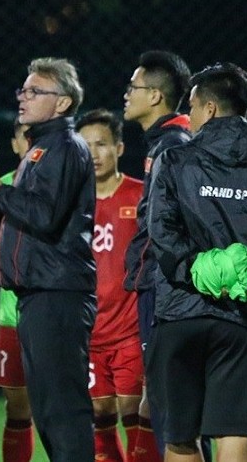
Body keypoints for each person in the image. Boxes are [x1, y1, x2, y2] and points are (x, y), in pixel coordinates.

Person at [0, 57, 96, 462]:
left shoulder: (64, 146)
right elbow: (20, 216)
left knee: (63, 410)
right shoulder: (40, 148)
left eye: (35, 91)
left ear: (62, 103)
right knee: (47, 410)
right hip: (37, 294)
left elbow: (45, 215)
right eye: (22, 91)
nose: (23, 98)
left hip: (57, 294)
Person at [146, 62, 247, 462]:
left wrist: (197, 270)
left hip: (180, 316)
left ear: (209, 109)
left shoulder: (174, 161)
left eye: (192, 107)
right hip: (242, 321)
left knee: (180, 440)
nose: (188, 117)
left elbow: (160, 235)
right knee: (234, 438)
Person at [121, 50, 192, 461]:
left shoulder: (171, 146)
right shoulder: (165, 143)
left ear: (155, 97)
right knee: (171, 406)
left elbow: (162, 227)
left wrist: (139, 271)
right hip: (165, 286)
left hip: (165, 290)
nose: (126, 95)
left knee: (173, 409)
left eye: (133, 87)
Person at [76, 109, 143, 462]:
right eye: (85, 146)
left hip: (131, 330)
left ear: (118, 148)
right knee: (100, 414)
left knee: (134, 411)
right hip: (89, 331)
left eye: (101, 144)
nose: (93, 153)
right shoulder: (71, 201)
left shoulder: (140, 195)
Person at [0, 119, 35, 462]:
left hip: (59, 313)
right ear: (15, 144)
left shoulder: (63, 181)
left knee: (69, 408)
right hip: (12, 315)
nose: (30, 143)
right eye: (24, 137)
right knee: (17, 407)